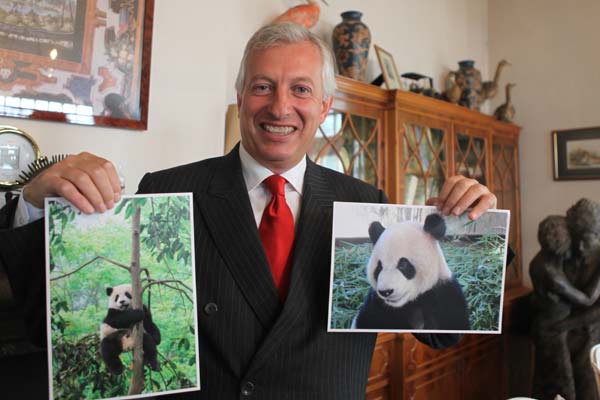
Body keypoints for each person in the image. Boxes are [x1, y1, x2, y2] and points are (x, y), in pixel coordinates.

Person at [0, 23, 497, 399]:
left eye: (301, 89)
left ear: (325, 106)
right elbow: (60, 318)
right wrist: (33, 201)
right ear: (240, 96)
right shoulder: (169, 191)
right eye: (263, 86)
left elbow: (443, 331)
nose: (280, 107)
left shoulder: (368, 204)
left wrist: (468, 226)